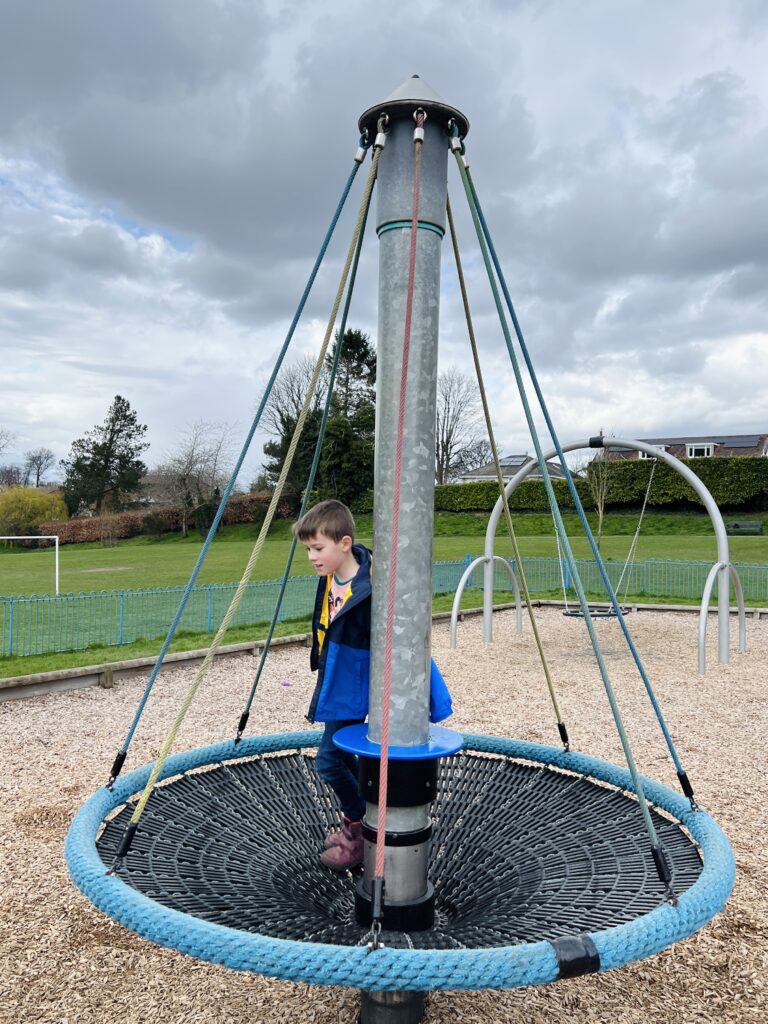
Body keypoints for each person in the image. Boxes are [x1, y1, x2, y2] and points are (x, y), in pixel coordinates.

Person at [294, 499, 453, 871]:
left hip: (364, 687)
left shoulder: (372, 589)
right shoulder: (334, 577)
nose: (312, 557)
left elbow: (403, 638)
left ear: (344, 543)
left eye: (318, 548)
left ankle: (361, 827)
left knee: (329, 763)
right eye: (308, 550)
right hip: (343, 679)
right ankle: (362, 823)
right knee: (343, 757)